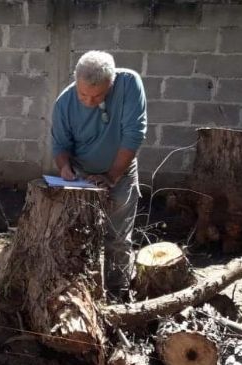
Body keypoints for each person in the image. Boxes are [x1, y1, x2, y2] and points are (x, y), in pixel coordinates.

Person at [51, 50, 147, 302]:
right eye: (83, 95)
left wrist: (112, 175)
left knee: (118, 240)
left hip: (121, 173)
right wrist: (64, 168)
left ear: (111, 83)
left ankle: (118, 297)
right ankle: (83, 298)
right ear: (76, 81)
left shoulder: (128, 84)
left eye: (98, 95)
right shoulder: (64, 103)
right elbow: (60, 146)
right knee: (81, 240)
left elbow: (134, 134)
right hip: (83, 179)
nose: (90, 101)